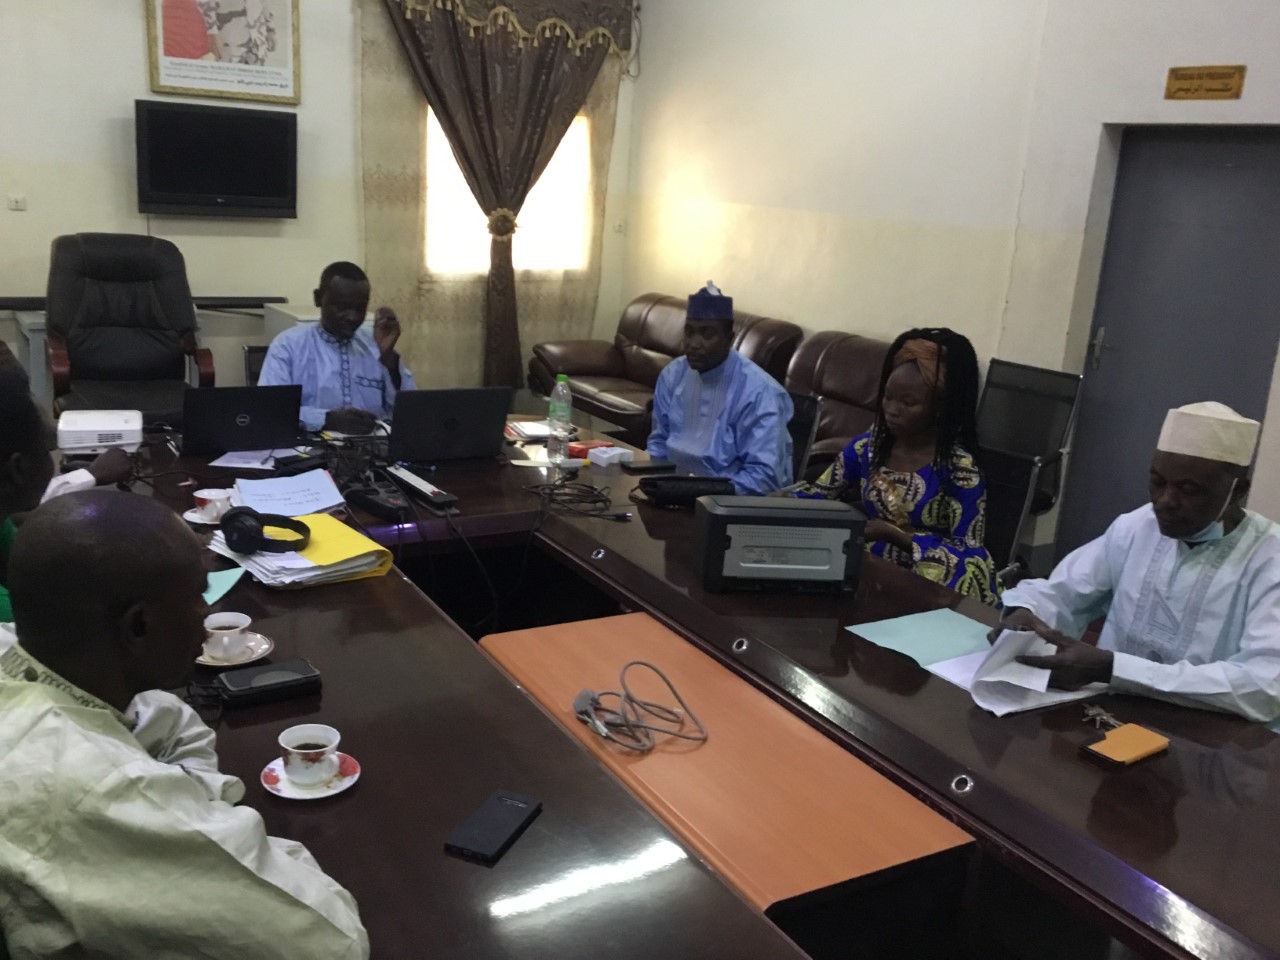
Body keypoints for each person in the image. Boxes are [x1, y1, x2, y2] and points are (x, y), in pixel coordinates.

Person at [0, 492, 370, 958]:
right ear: (139, 626)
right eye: (198, 597)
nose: (207, 619)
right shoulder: (101, 788)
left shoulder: (25, 660)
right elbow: (332, 940)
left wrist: (192, 805)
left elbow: (174, 720)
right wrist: (216, 829)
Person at [997, 401, 1280, 724]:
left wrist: (1112, 668)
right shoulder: (1138, 526)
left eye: (1188, 489)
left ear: (1237, 491)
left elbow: (1264, 685)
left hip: (1214, 736)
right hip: (1108, 715)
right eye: (1158, 482)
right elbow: (1064, 593)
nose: (1165, 501)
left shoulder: (1270, 559)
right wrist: (1027, 616)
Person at [796, 328, 999, 605]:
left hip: (931, 578)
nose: (891, 409)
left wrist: (895, 535)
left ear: (939, 407)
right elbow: (818, 496)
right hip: (871, 569)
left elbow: (969, 554)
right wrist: (776, 503)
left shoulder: (960, 470)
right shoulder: (868, 447)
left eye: (908, 403)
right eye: (888, 396)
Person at [0, 367, 134, 622]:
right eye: (48, 451)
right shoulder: (9, 619)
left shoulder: (2, 519)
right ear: (18, 468)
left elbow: (42, 572)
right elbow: (59, 626)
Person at [646, 282, 793, 494]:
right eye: (689, 332)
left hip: (729, 502)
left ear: (729, 340)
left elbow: (764, 478)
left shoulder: (760, 393)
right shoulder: (673, 375)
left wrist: (697, 493)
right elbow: (659, 442)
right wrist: (656, 486)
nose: (694, 343)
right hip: (672, 492)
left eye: (707, 334)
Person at [259, 261, 415, 434]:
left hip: (375, 446)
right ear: (318, 298)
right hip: (311, 447)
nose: (352, 317)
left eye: (360, 308)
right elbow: (271, 410)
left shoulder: (375, 343)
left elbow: (411, 411)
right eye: (342, 307)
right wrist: (328, 419)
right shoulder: (288, 346)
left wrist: (389, 360)